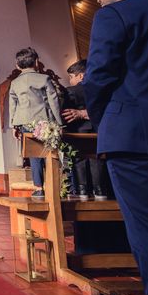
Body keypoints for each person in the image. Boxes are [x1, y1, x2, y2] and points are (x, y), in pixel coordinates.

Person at [84, 0, 148, 295]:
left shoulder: (114, 16)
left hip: (135, 140)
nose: (97, 0)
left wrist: (104, 122)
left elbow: (98, 77)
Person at [9, 47, 63, 199]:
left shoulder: (15, 83)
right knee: (51, 152)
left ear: (17, 65)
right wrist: (59, 123)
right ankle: (55, 185)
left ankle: (39, 188)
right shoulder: (44, 79)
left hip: (25, 122)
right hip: (44, 121)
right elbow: (54, 102)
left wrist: (13, 125)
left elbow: (13, 105)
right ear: (36, 62)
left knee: (34, 155)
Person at [62, 59, 109, 201]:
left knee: (78, 161)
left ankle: (82, 192)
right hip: (97, 130)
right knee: (98, 160)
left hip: (78, 131)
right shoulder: (100, 90)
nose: (70, 80)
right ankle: (101, 191)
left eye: (71, 76)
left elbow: (64, 113)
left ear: (81, 76)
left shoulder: (69, 91)